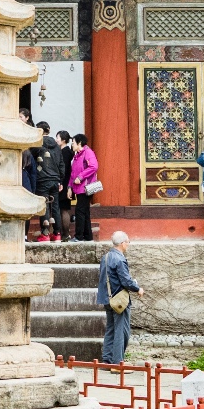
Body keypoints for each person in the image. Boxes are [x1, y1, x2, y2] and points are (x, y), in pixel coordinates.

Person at [97, 230, 143, 362]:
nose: (128, 244)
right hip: (119, 300)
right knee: (121, 331)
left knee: (110, 329)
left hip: (107, 298)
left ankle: (107, 360)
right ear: (122, 243)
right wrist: (137, 288)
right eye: (128, 242)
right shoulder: (120, 259)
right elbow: (126, 281)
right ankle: (117, 363)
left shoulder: (105, 257)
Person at [33, 122, 67, 241]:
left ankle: (45, 234)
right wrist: (60, 181)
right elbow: (61, 164)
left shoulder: (37, 144)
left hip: (43, 179)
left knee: (45, 206)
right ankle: (57, 233)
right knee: (55, 207)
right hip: (55, 179)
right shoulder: (57, 146)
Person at [68, 131, 99, 242]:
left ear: (80, 143)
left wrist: (80, 177)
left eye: (73, 142)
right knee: (84, 211)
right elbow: (73, 173)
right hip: (78, 188)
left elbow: (94, 167)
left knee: (80, 211)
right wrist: (69, 187)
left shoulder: (88, 152)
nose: (72, 145)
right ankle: (88, 236)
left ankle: (78, 236)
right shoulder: (77, 156)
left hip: (86, 187)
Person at [54, 129, 77, 237]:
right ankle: (64, 234)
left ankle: (65, 233)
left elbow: (63, 169)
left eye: (58, 137)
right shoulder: (68, 152)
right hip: (66, 183)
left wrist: (61, 183)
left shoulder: (65, 152)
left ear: (63, 140)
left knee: (62, 209)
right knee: (64, 208)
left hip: (63, 184)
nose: (56, 139)